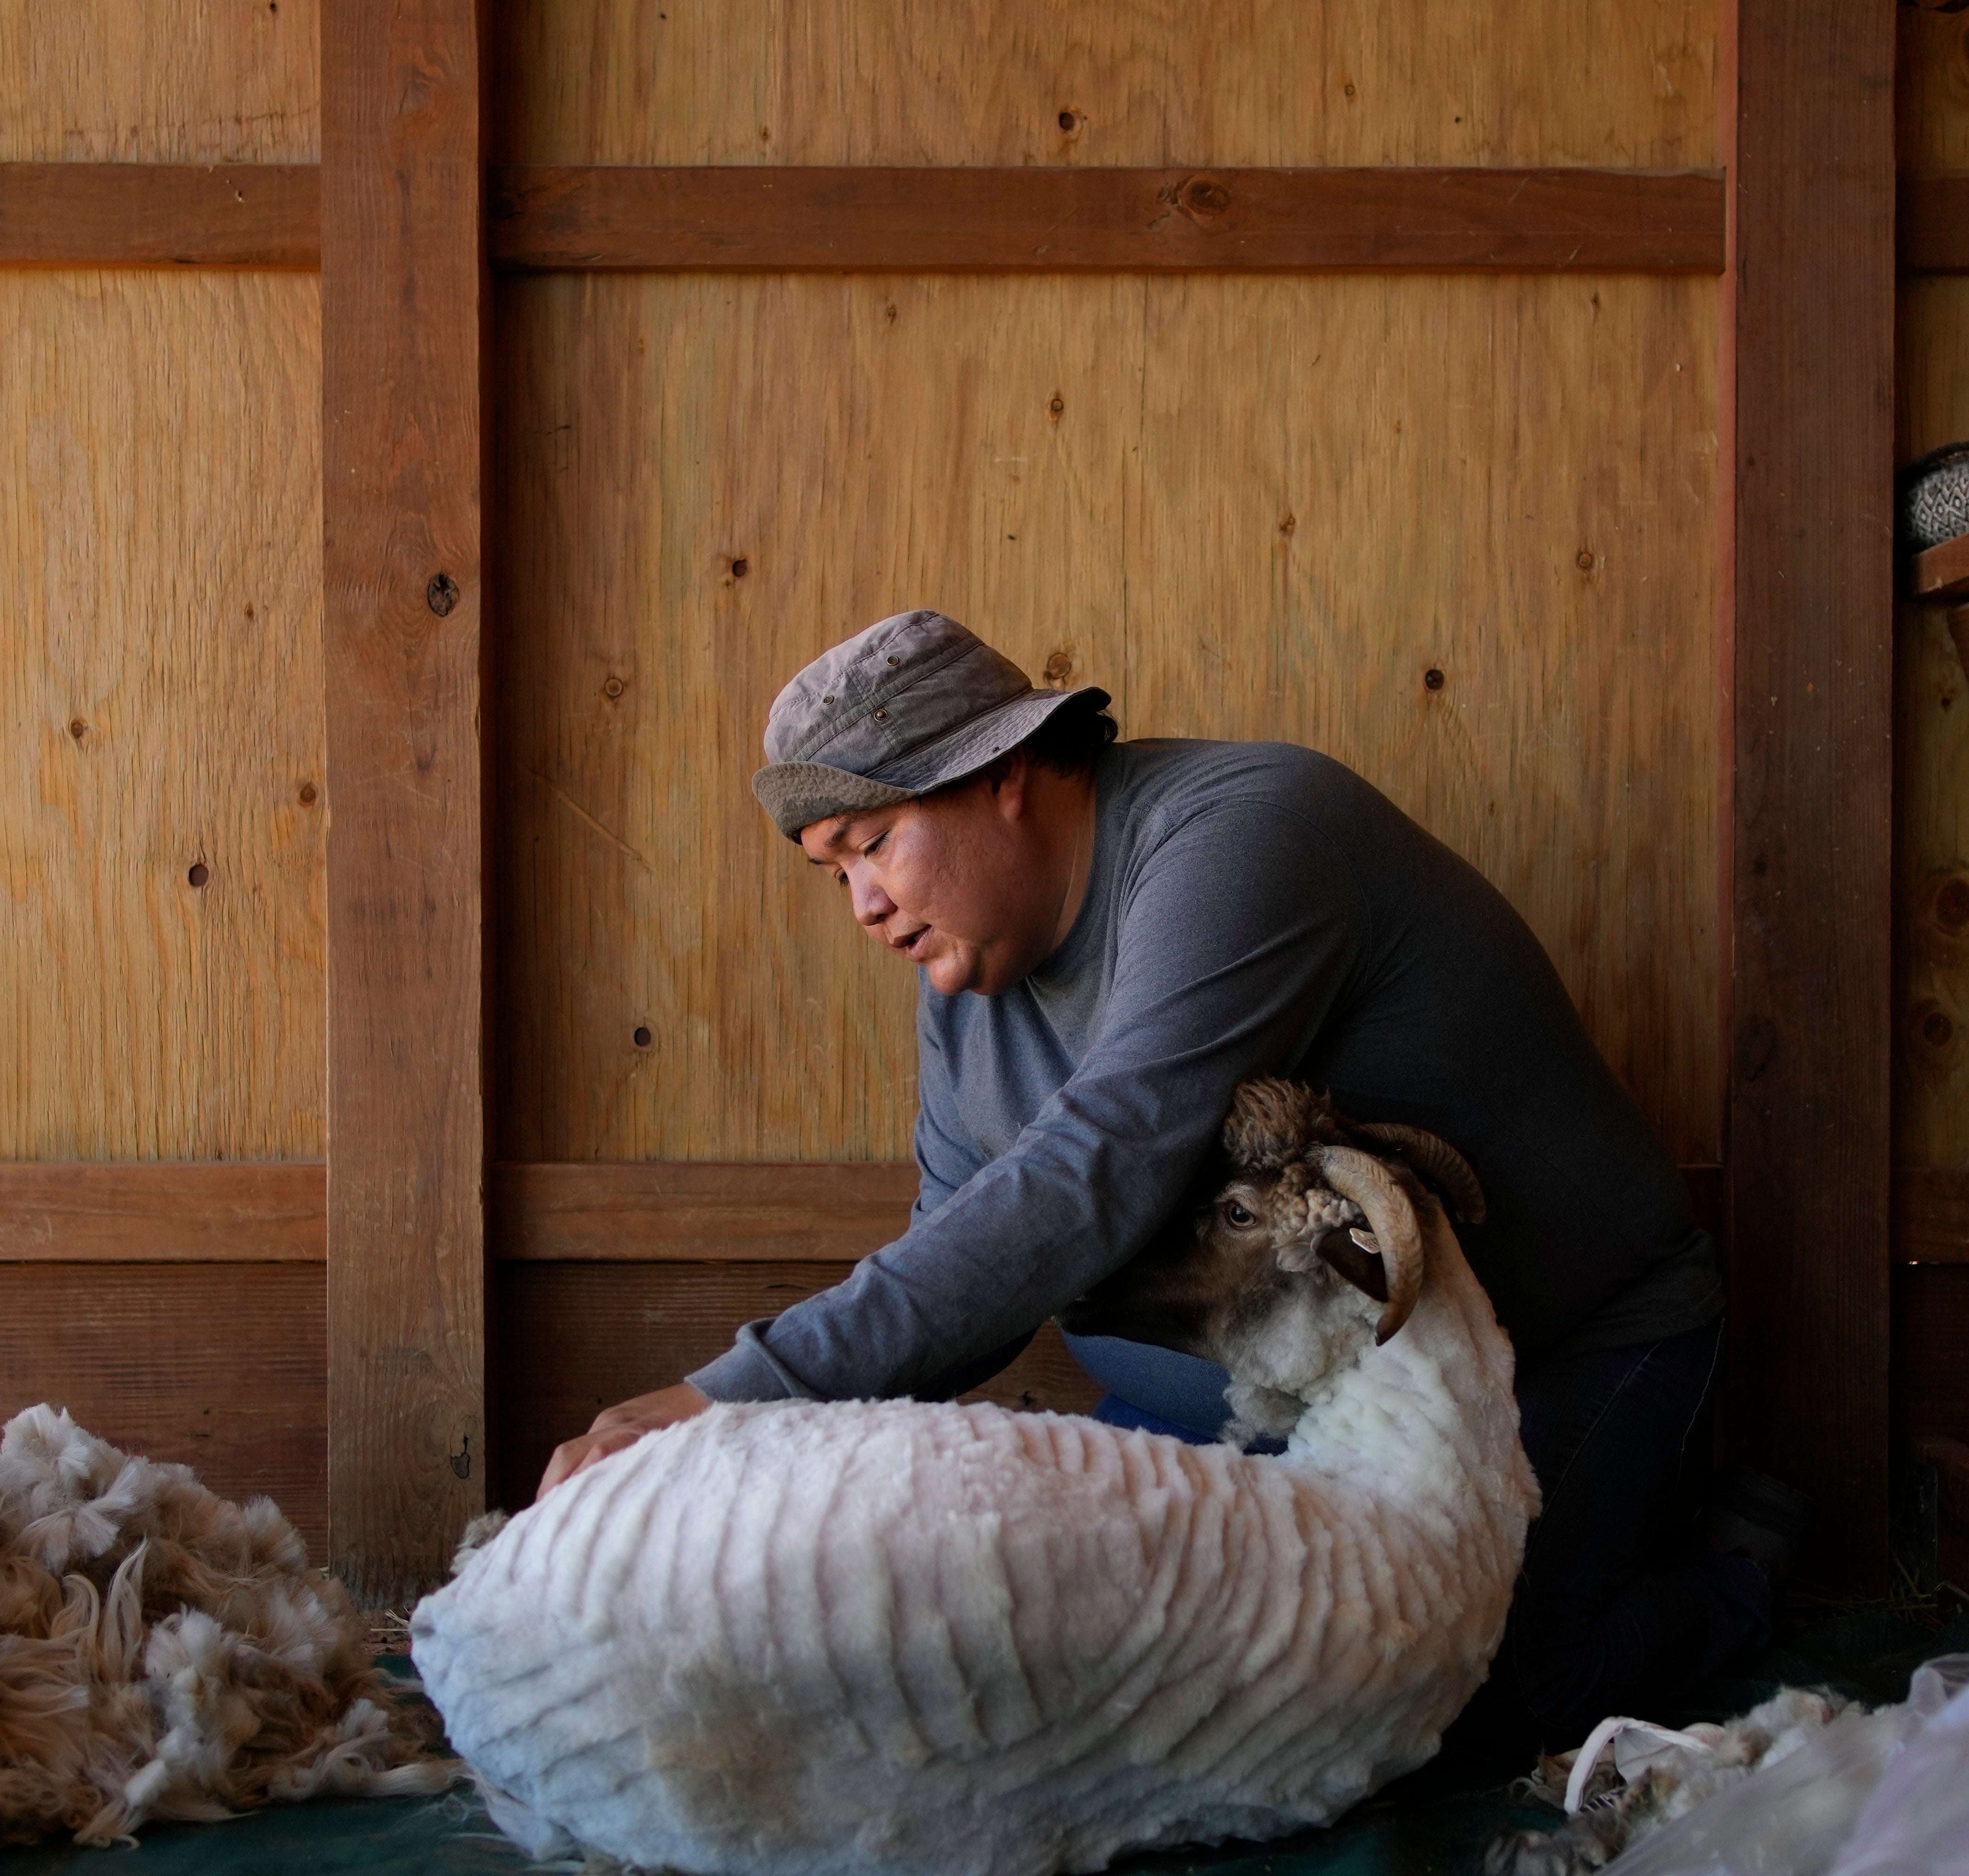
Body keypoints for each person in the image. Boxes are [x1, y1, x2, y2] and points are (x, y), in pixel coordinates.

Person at [542, 609, 1791, 1754]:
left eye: (874, 843)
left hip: (1561, 1359)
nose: (863, 903)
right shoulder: (966, 987)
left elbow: (1103, 1162)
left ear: (1000, 774)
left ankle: (1729, 1558)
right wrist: (747, 1454)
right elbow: (958, 1264)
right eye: (832, 873)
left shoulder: (1247, 829)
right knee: (1111, 1669)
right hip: (1247, 1418)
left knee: (1450, 1700)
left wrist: (734, 1393)